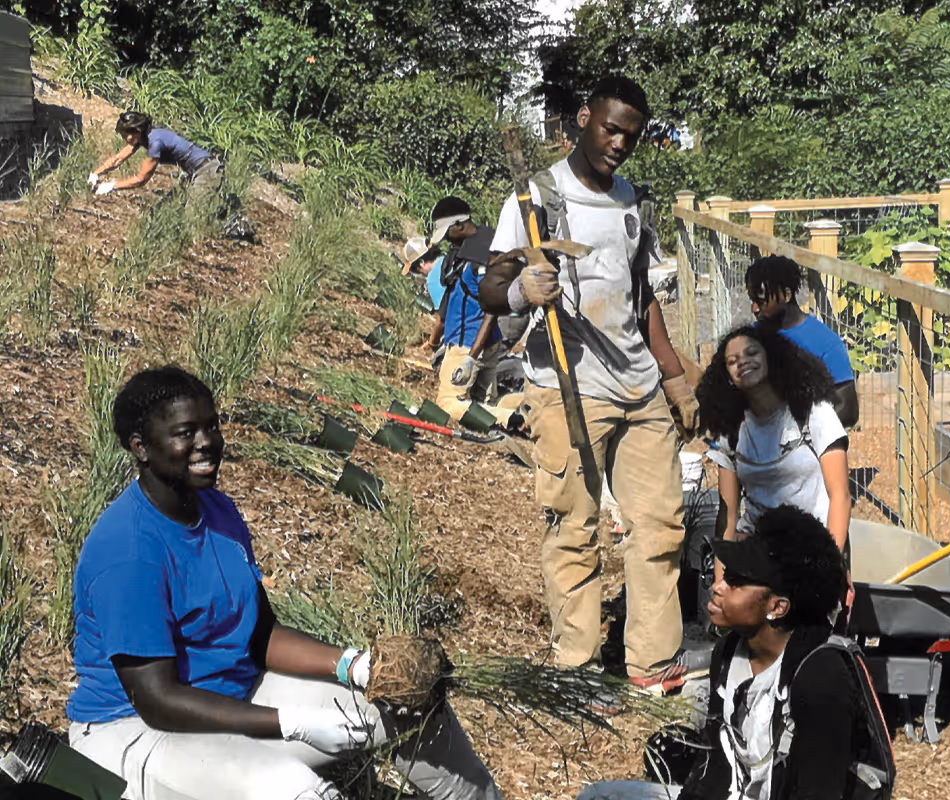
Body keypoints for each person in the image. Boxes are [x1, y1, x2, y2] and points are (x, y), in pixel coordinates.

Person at [66, 366, 503, 800]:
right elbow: (156, 699)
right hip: (137, 732)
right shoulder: (128, 551)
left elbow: (259, 635)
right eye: (186, 432)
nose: (206, 443)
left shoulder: (217, 511)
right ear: (141, 447)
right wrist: (290, 722)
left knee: (408, 705)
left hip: (233, 696)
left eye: (212, 426)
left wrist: (354, 665)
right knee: (301, 793)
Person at [481, 76, 700, 690]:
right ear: (583, 119)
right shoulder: (536, 198)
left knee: (660, 527)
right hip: (567, 387)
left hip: (638, 387)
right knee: (574, 529)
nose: (618, 143)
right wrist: (523, 288)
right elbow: (490, 288)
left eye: (631, 136)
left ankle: (652, 664)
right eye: (609, 128)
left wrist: (676, 380)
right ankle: (575, 666)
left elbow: (642, 294)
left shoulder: (631, 201)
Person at [576, 505, 886, 800]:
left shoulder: (821, 677)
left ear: (777, 607)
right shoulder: (729, 650)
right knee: (595, 796)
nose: (718, 586)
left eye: (737, 583)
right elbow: (715, 769)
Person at [697, 325, 851, 559]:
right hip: (758, 548)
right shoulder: (732, 428)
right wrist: (720, 584)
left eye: (752, 353)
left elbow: (840, 496)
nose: (743, 362)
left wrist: (833, 565)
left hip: (816, 547)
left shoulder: (814, 413)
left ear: (772, 357)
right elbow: (727, 517)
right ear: (727, 377)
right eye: (732, 361)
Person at [429, 196, 519, 427]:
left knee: (447, 402)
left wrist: (470, 357)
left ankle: (514, 418)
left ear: (460, 225)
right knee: (486, 404)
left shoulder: (482, 255)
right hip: (485, 343)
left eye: (448, 231)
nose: (447, 238)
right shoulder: (478, 244)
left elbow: (492, 308)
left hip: (469, 342)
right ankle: (527, 409)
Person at [745, 255, 859, 427]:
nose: (754, 309)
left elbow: (848, 409)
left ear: (786, 295)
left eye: (760, 301)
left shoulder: (826, 344)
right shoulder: (749, 339)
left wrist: (800, 435)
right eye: (752, 300)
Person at [88, 111, 224, 208]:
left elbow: (141, 179)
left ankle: (231, 221)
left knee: (193, 215)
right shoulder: (142, 137)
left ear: (136, 131)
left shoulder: (155, 142)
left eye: (125, 135)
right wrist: (96, 173)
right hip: (192, 171)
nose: (124, 138)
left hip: (207, 169)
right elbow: (118, 159)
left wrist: (112, 186)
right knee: (165, 210)